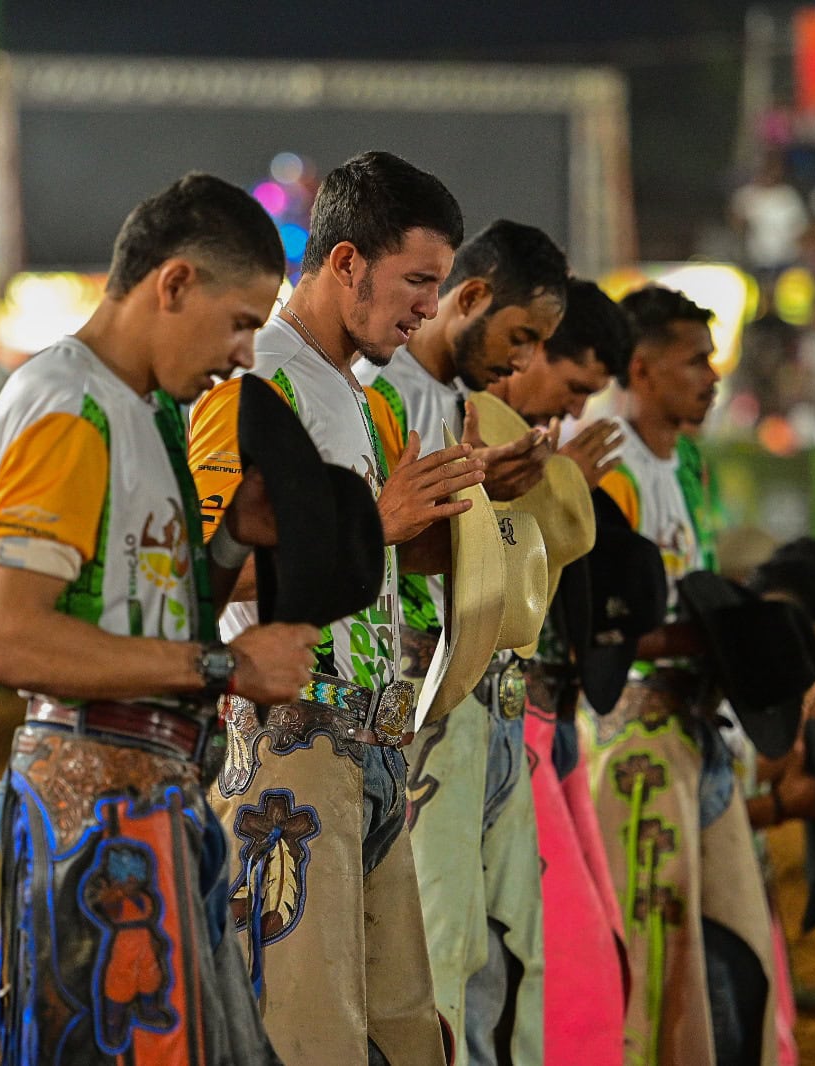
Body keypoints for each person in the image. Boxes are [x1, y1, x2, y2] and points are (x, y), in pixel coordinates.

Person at [0, 173, 320, 1065]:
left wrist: (235, 538)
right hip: (95, 808)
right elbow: (6, 641)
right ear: (174, 284)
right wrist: (226, 669)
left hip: (144, 798)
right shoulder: (69, 409)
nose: (244, 355)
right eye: (239, 322)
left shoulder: (144, 411)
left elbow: (157, 607)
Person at [188, 149, 476, 1066]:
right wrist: (378, 524)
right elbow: (200, 571)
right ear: (347, 262)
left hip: (374, 753)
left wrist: (468, 517)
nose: (431, 306)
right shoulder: (251, 384)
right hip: (289, 749)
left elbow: (379, 563)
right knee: (308, 1038)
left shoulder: (369, 399)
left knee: (402, 1037)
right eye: (418, 280)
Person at [358, 218, 569, 1066]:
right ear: (471, 296)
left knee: (492, 945)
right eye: (520, 336)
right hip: (424, 700)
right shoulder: (382, 387)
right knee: (443, 945)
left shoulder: (445, 399)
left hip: (478, 692)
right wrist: (479, 490)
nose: (523, 364)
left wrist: (490, 487)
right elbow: (380, 549)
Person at [579, 284, 780, 1065]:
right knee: (659, 956)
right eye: (695, 361)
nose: (712, 377)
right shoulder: (606, 467)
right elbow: (598, 630)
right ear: (641, 368)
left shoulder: (689, 460)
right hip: (637, 739)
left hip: (697, 731)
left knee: (737, 948)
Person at [486, 278, 633, 1066]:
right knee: (558, 957)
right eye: (573, 387)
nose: (574, 410)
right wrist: (558, 484)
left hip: (545, 721)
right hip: (505, 725)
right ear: (532, 348)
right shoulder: (480, 431)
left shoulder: (523, 440)